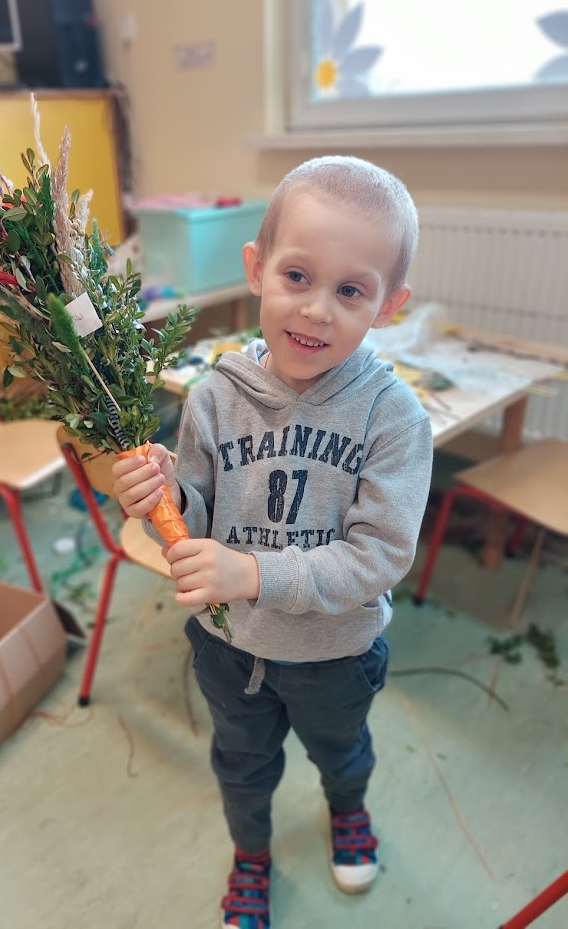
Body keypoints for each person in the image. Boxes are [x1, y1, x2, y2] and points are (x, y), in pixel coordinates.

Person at [113, 156, 433, 928]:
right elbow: (195, 515)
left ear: (388, 305)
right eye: (296, 275)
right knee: (241, 765)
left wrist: (251, 572)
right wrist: (161, 497)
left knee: (341, 750)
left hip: (335, 654)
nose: (316, 310)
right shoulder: (212, 396)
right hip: (230, 650)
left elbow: (378, 556)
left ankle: (347, 810)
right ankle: (251, 854)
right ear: (257, 269)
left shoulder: (393, 417)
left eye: (350, 290)